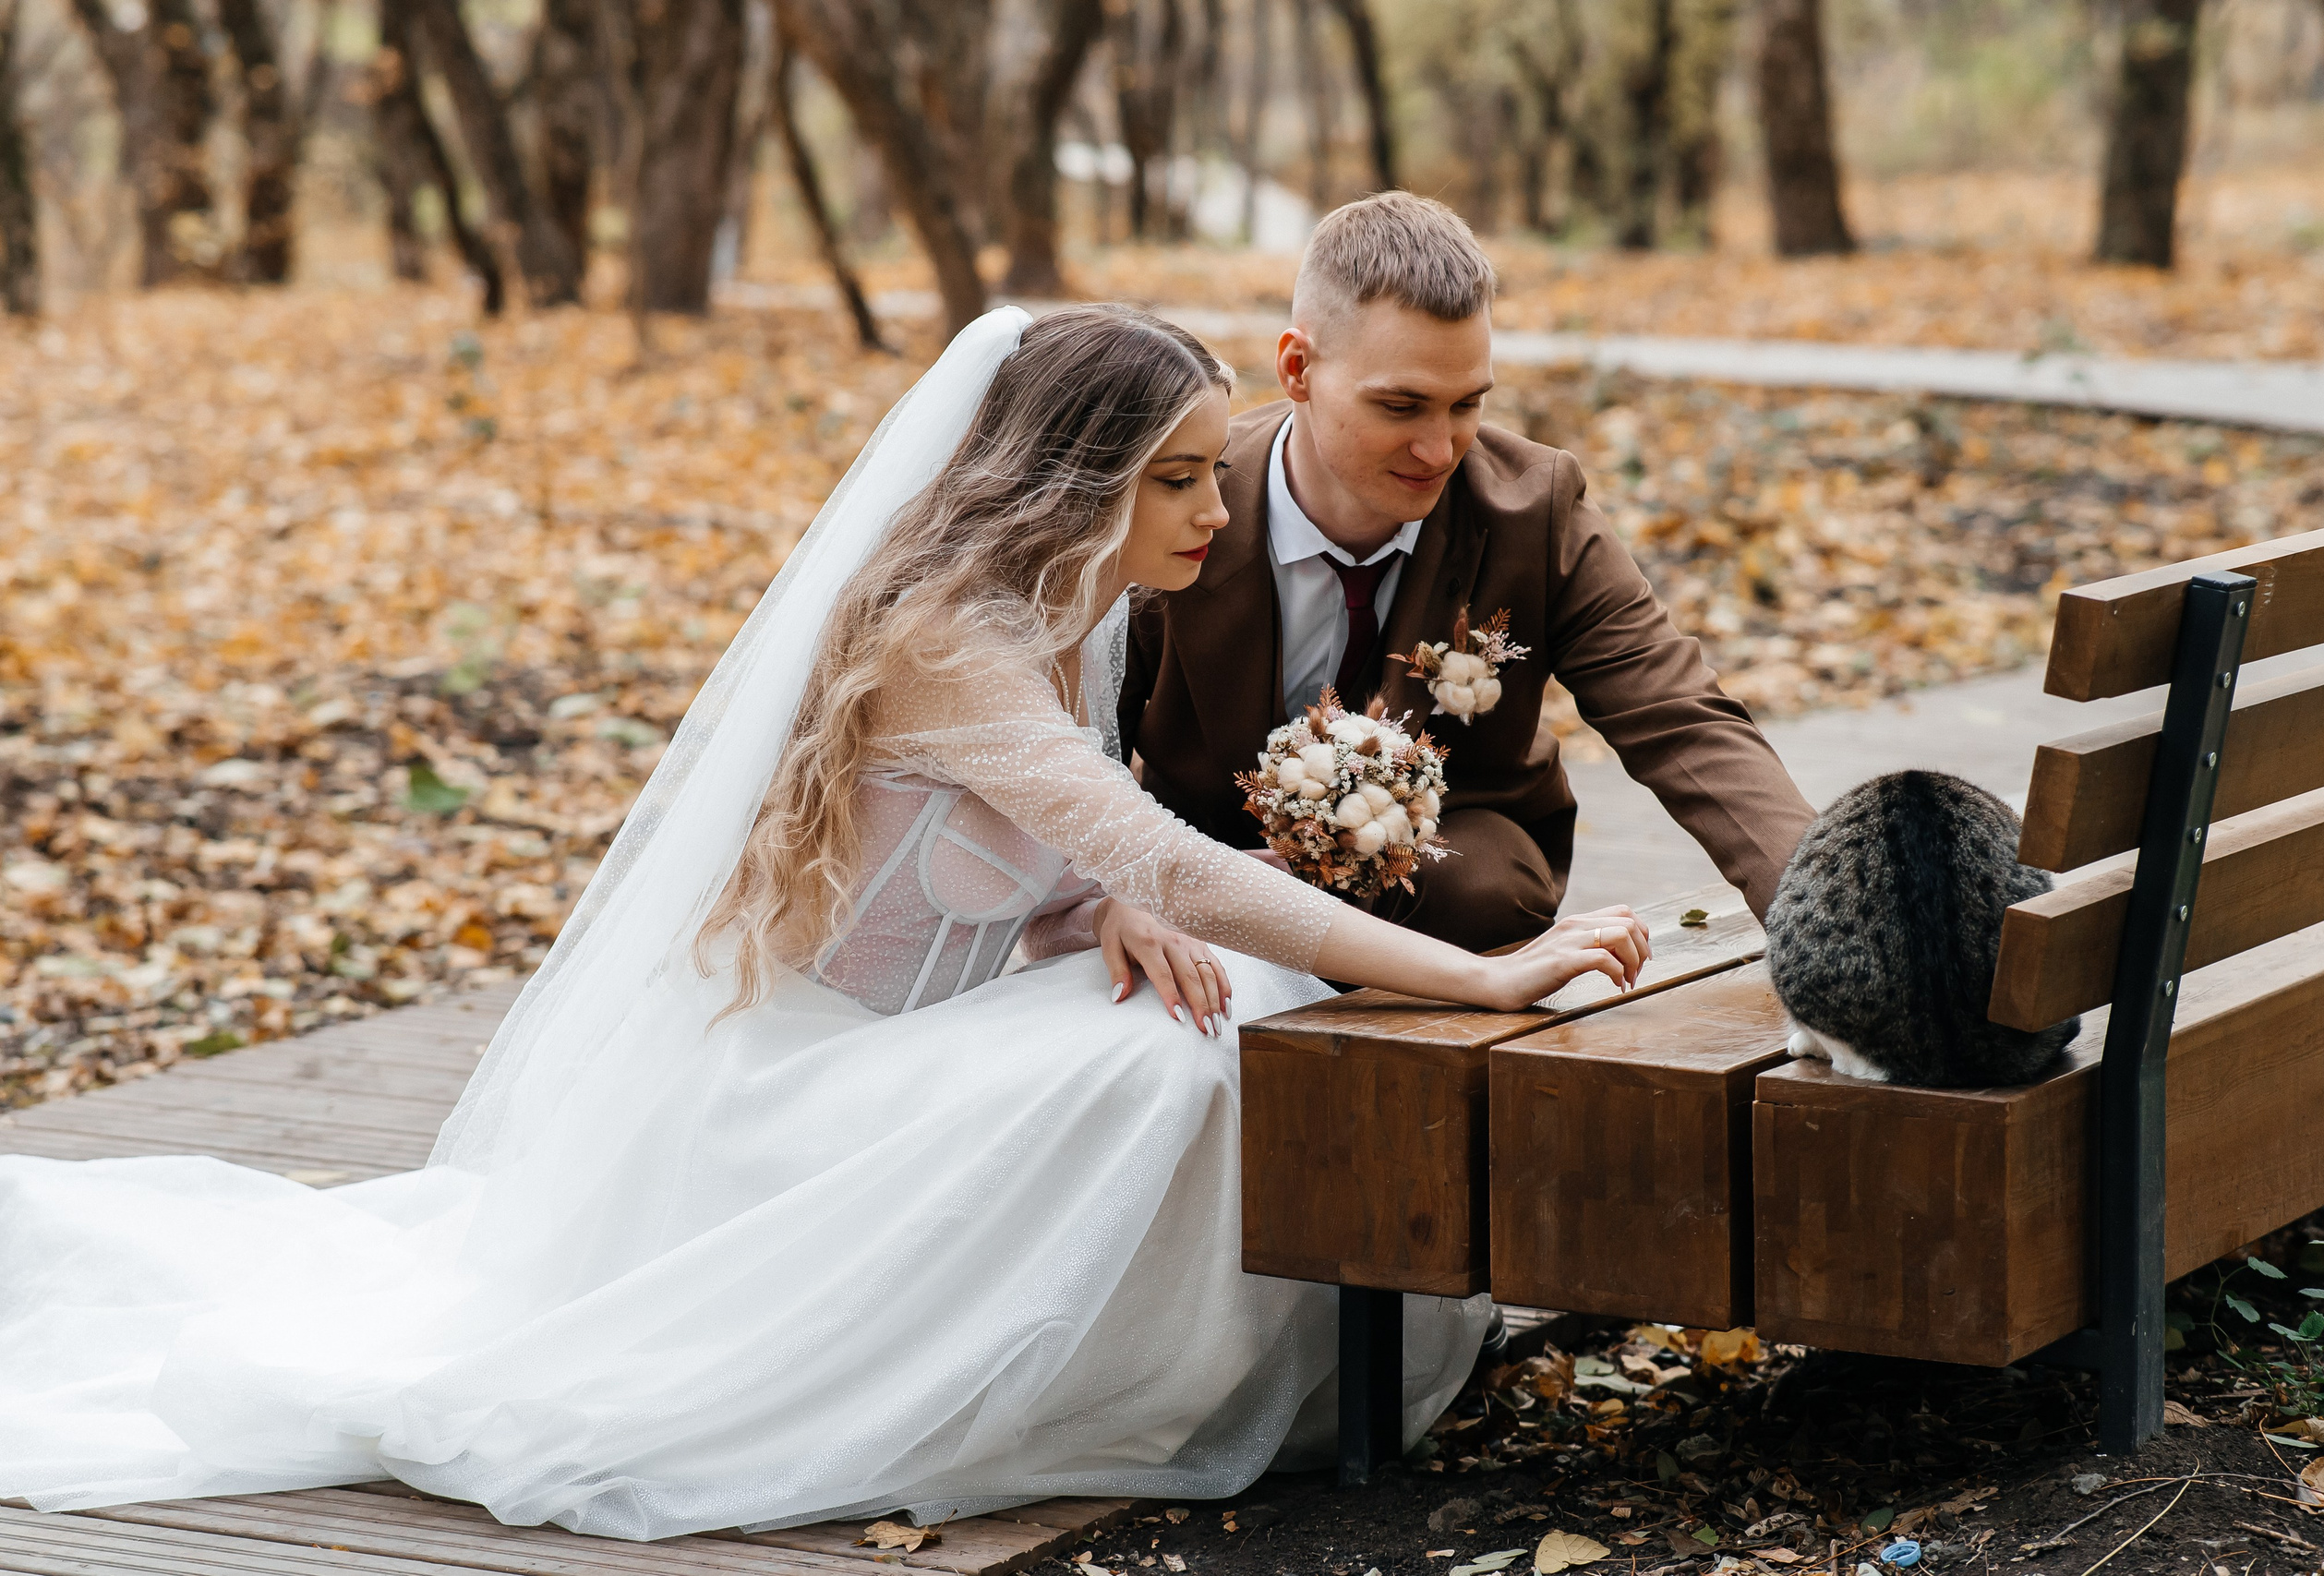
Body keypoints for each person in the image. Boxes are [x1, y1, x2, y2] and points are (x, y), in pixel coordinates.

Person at [0, 305, 1652, 1541]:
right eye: (1168, 480)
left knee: (1228, 1000)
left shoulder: (1073, 610)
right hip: (785, 1092)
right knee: (1161, 1063)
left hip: (910, 1044)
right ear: (1071, 484)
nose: (1211, 511)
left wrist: (1103, 904)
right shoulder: (949, 635)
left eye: (1204, 472)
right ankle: (1098, 1387)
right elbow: (1178, 848)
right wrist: (1479, 968)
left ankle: (1265, 1377)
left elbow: (1070, 849)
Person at [1122, 194, 1819, 952]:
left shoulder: (1534, 506)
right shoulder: (1184, 494)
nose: (1439, 448)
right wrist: (1133, 883)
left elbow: (1682, 717)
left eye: (1466, 405)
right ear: (1297, 367)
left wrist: (1832, 917)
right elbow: (1076, 739)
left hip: (1446, 872)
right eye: (1401, 405)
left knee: (1485, 885)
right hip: (1192, 865)